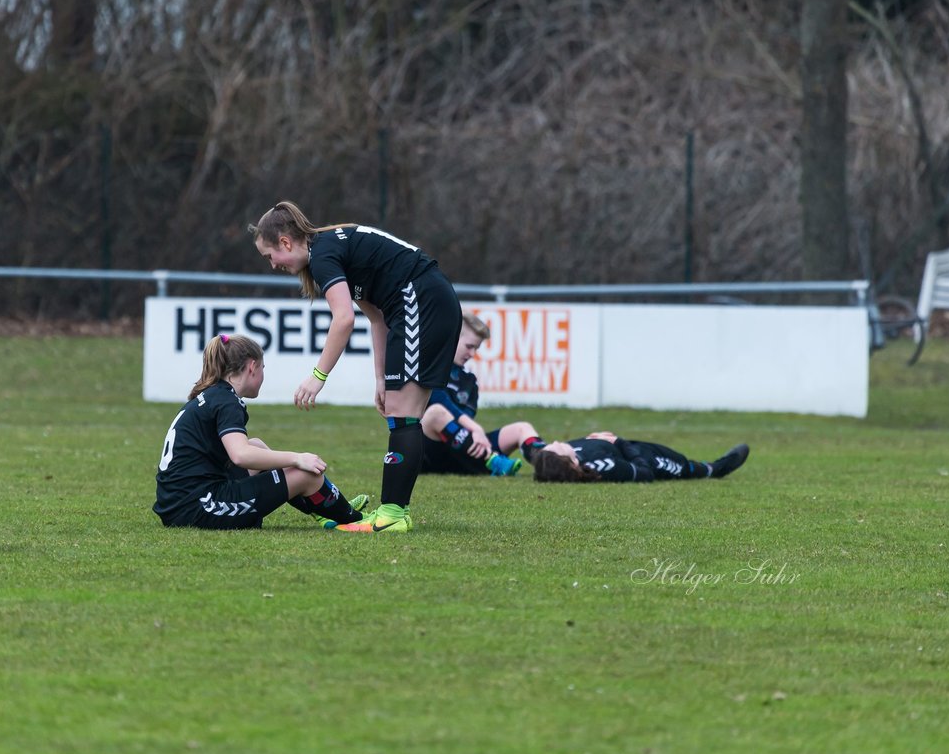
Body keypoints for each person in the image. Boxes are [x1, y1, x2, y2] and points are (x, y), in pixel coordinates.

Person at [250, 201, 462, 533]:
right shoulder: (330, 247)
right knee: (401, 412)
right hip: (423, 301)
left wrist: (318, 376)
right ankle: (396, 512)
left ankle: (392, 515)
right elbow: (375, 316)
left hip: (421, 301)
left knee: (404, 414)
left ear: (286, 243)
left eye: (270, 256)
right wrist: (381, 378)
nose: (273, 264)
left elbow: (344, 319)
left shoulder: (322, 256)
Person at [153, 333, 369, 530]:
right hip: (197, 508)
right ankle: (355, 520)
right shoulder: (227, 401)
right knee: (305, 473)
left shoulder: (215, 394)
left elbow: (246, 451)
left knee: (256, 445)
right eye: (263, 368)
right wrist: (297, 458)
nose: (263, 374)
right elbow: (240, 455)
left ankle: (324, 509)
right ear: (252, 367)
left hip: (180, 503)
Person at [421, 311, 547, 477]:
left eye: (477, 348)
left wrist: (475, 432)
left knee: (522, 428)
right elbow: (441, 401)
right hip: (431, 454)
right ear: (452, 339)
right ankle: (492, 461)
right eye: (469, 346)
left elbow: (467, 419)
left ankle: (550, 462)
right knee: (436, 413)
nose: (473, 354)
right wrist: (475, 428)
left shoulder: (469, 381)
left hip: (463, 450)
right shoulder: (429, 367)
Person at [533, 431, 750, 483]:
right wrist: (618, 442)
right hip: (647, 458)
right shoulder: (603, 466)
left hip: (635, 447)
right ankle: (715, 469)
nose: (555, 443)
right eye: (556, 448)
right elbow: (644, 473)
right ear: (567, 461)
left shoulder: (565, 455)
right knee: (684, 466)